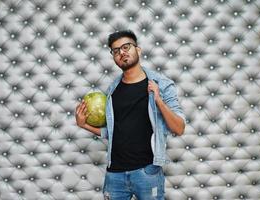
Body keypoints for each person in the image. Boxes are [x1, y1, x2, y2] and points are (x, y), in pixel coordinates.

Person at [75, 30, 185, 200]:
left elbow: (179, 128)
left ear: (138, 50)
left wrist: (159, 101)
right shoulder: (112, 90)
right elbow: (112, 132)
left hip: (147, 173)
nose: (121, 52)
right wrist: (84, 125)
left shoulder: (161, 85)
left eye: (126, 47)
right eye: (116, 50)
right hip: (115, 175)